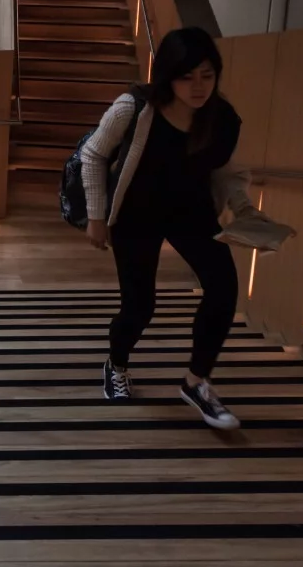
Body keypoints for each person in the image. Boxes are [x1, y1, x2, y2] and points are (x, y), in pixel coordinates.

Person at [81, 26, 252, 431]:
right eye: (187, 76)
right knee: (140, 307)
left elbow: (227, 171)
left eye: (207, 75)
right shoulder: (134, 107)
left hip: (191, 212)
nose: (198, 86)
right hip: (137, 214)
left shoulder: (223, 119)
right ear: (167, 75)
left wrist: (244, 209)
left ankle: (196, 381)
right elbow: (93, 155)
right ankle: (116, 364)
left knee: (224, 287)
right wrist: (97, 217)